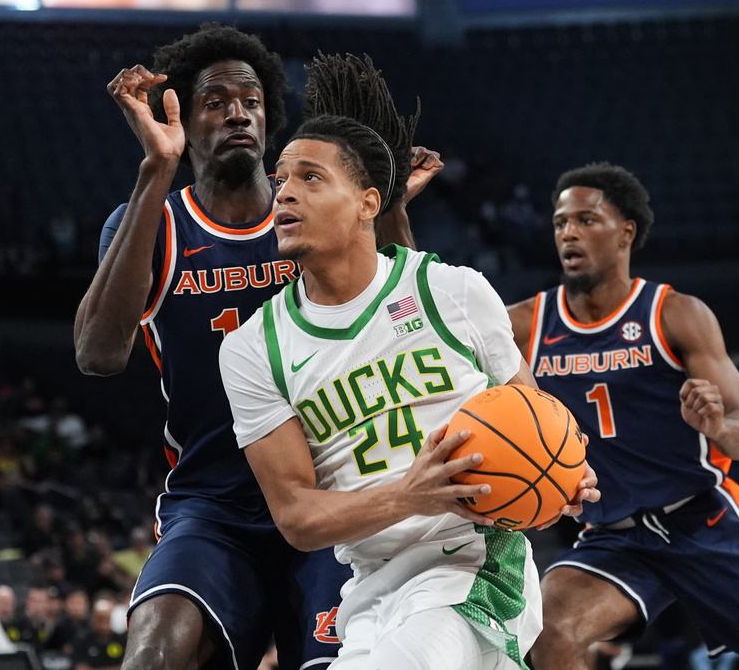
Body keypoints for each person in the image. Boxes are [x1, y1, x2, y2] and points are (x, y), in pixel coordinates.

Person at [73, 23, 440, 670]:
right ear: (181, 116)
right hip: (214, 506)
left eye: (252, 100)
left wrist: (387, 217)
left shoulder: (319, 215)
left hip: (334, 494)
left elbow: (405, 330)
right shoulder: (152, 223)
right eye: (216, 101)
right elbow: (97, 354)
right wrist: (155, 169)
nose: (238, 111)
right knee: (153, 657)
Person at [219, 52, 599, 670]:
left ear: (369, 202)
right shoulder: (251, 349)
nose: (284, 191)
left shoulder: (454, 292)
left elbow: (537, 418)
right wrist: (409, 494)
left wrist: (565, 475)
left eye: (310, 178)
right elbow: (297, 516)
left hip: (474, 566)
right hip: (368, 590)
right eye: (281, 177)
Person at [506, 162, 739, 670]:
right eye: (561, 222)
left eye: (587, 219)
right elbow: (430, 325)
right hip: (613, 535)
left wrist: (718, 427)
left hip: (704, 523)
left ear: (626, 231)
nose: (569, 232)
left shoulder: (675, 314)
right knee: (549, 630)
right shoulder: (524, 324)